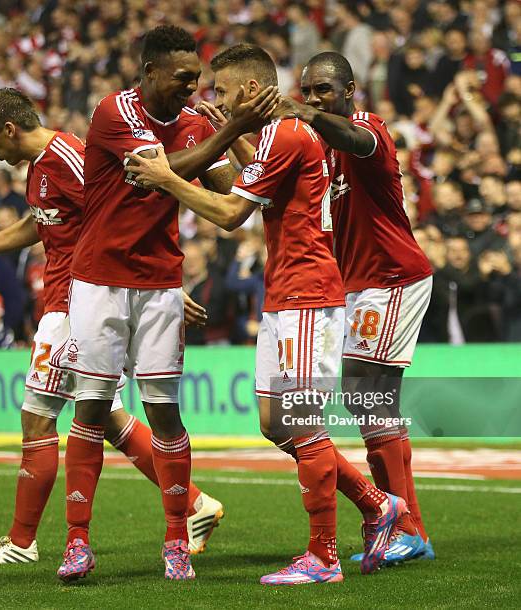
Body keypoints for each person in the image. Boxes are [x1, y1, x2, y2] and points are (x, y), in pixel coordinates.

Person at [127, 43, 407, 586]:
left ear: (252, 90)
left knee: (301, 423)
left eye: (224, 91)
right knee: (275, 423)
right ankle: (377, 503)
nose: (217, 98)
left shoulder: (287, 133)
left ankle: (323, 556)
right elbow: (257, 188)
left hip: (307, 293)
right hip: (285, 293)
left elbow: (232, 213)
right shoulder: (283, 137)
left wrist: (167, 180)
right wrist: (232, 141)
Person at [0, 87, 224, 572]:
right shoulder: (43, 166)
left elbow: (125, 211)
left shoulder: (69, 156)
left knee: (39, 415)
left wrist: (160, 286)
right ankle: (194, 503)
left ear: (10, 129)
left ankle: (23, 541)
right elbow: (41, 225)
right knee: (104, 416)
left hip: (78, 301)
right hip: (75, 299)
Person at [49, 26, 279, 582]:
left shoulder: (201, 124)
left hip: (159, 285)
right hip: (99, 281)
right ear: (149, 73)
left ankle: (177, 537)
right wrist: (231, 133)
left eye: (198, 80)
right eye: (183, 79)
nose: (192, 88)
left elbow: (229, 194)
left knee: (164, 410)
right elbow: (162, 170)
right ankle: (76, 543)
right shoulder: (113, 114)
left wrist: (251, 139)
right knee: (92, 408)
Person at [277, 51, 435, 563]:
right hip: (360, 285)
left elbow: (356, 138)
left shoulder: (367, 128)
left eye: (324, 89)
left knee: (367, 394)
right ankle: (407, 527)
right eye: (308, 90)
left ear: (349, 89)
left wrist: (309, 115)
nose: (315, 97)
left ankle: (405, 526)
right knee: (372, 402)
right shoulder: (319, 148)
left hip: (391, 277)